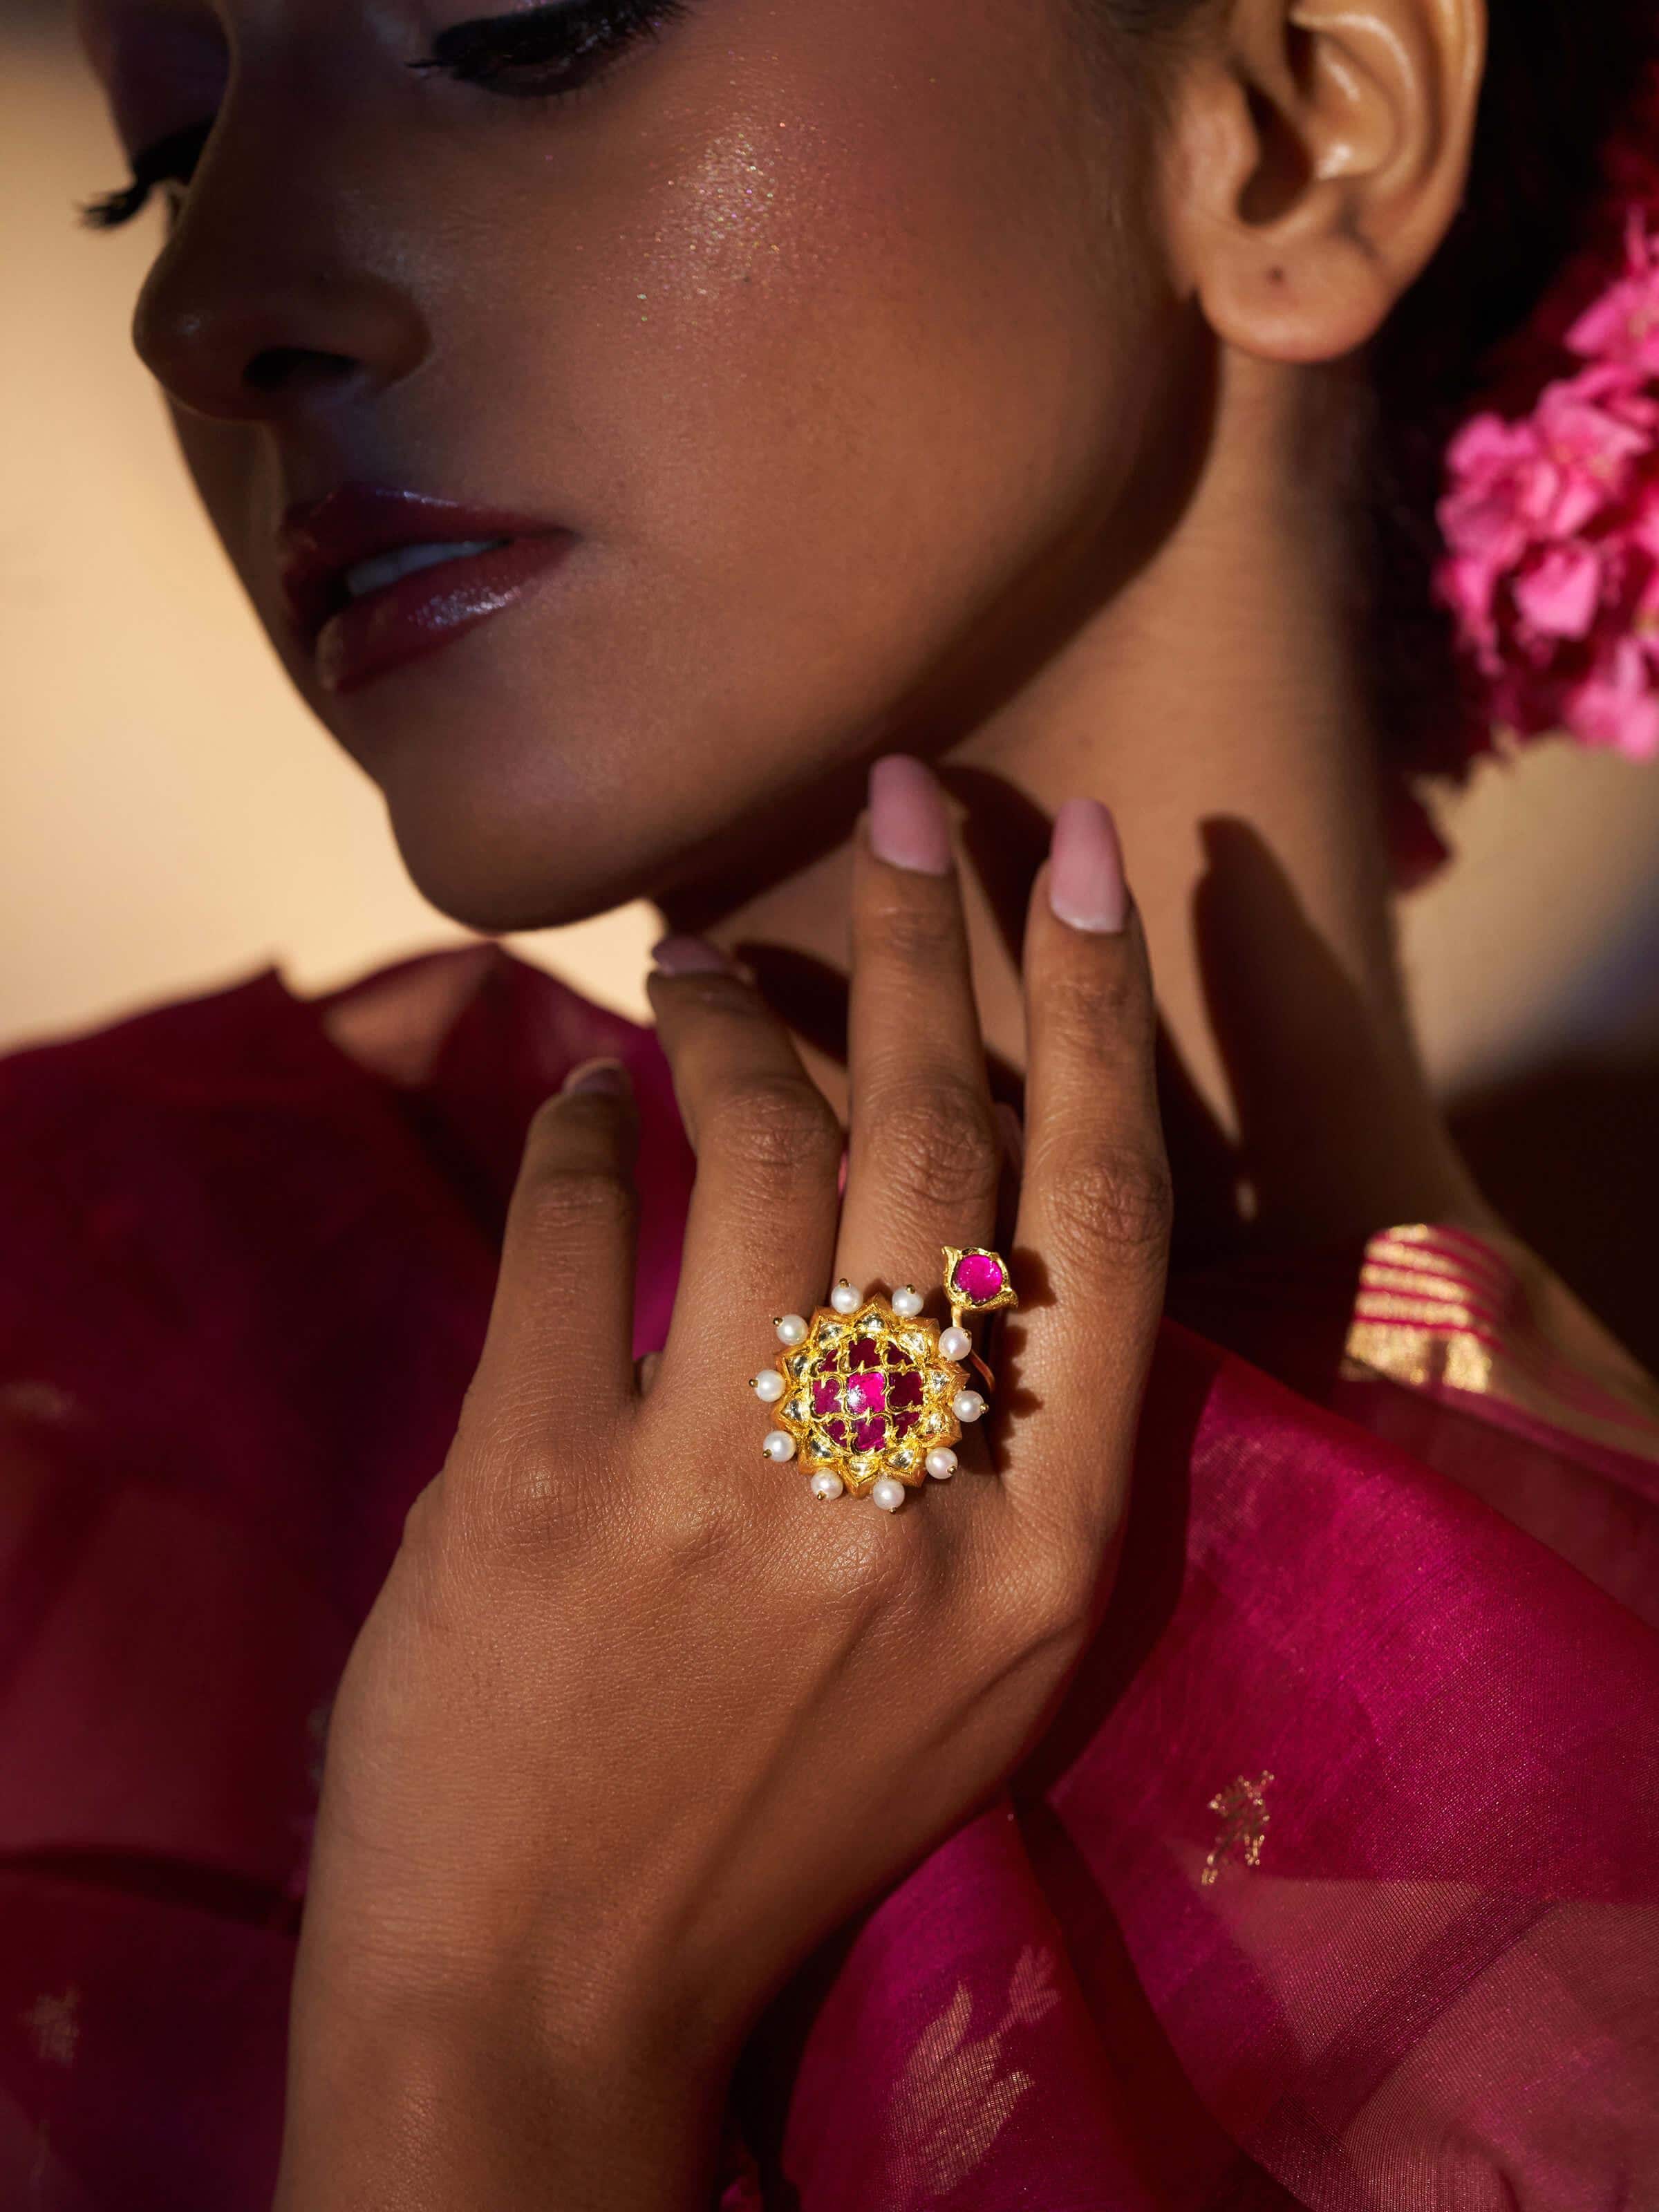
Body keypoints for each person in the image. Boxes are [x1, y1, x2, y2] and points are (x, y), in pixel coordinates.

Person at [5, 0, 1658, 2203]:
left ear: (1294, 124)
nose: (206, 308)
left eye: (518, 28)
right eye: (171, 161)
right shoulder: (92, 1345)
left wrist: (507, 2026)